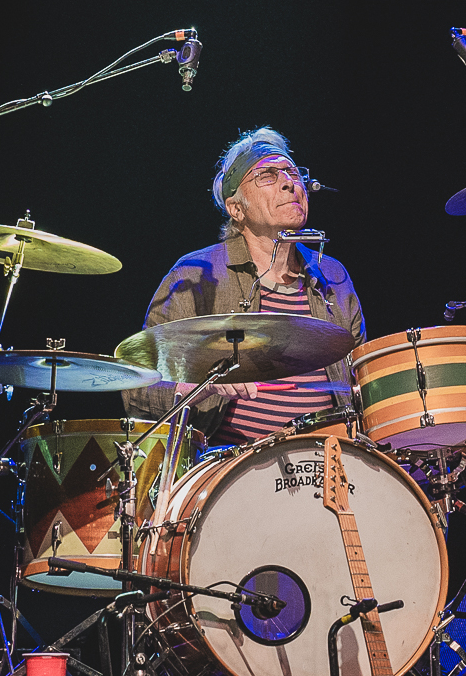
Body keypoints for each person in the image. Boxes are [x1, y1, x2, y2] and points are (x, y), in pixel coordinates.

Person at [123, 128, 365, 443]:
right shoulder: (196, 276)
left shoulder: (334, 276)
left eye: (293, 172)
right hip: (228, 468)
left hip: (329, 460)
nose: (289, 182)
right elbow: (139, 391)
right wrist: (201, 386)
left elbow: (362, 380)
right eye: (267, 175)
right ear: (237, 208)